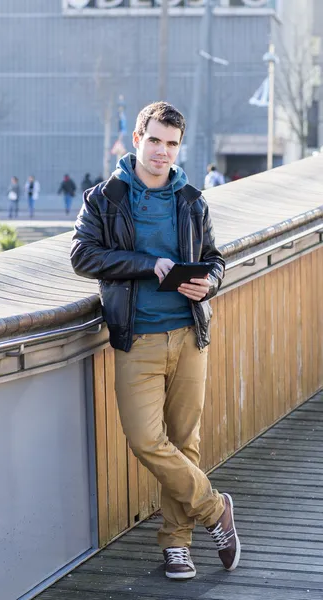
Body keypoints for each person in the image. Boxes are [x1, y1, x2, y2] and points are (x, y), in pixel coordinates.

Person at [71, 102, 240, 580]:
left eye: (172, 144)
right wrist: (148, 264)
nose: (162, 152)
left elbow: (214, 259)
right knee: (146, 439)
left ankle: (177, 545)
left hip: (189, 335)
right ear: (137, 140)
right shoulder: (105, 198)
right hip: (137, 337)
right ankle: (215, 510)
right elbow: (82, 254)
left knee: (185, 443)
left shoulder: (191, 199)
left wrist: (209, 281)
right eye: (155, 141)